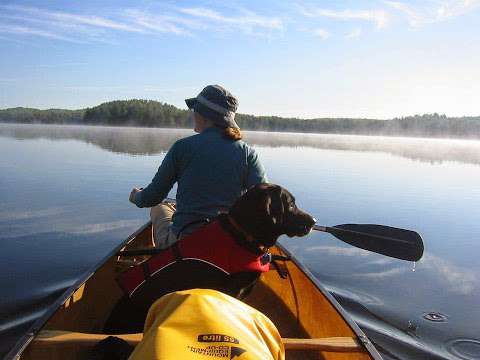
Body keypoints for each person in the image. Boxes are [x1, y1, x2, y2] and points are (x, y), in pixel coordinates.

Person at [129, 85, 267, 249]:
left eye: (195, 109)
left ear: (204, 115)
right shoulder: (247, 153)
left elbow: (152, 197)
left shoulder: (182, 148)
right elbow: (263, 202)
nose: (192, 113)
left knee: (159, 207)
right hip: (227, 243)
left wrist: (136, 197)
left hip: (185, 244)